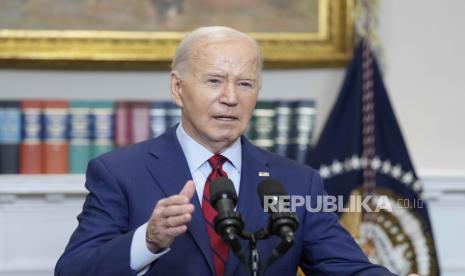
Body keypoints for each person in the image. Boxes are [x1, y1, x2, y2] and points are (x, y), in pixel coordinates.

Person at [55, 26, 395, 276]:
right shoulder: (120, 173)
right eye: (214, 81)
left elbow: (346, 268)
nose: (231, 97)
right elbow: (72, 271)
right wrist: (148, 240)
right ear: (178, 87)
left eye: (245, 84)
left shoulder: (295, 182)